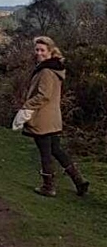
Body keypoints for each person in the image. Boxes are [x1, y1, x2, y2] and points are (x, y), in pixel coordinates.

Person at [13, 36, 89, 197]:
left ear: (50, 51)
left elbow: (43, 95)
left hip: (43, 118)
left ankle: (49, 187)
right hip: (53, 117)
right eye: (37, 49)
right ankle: (79, 181)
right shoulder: (56, 68)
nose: (39, 53)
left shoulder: (47, 71)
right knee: (57, 150)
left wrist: (26, 107)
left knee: (45, 153)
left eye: (42, 50)